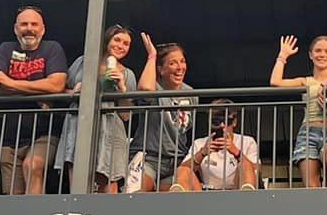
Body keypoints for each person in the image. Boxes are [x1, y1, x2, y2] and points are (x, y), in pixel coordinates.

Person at [0, 5, 69, 195]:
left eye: (34, 24)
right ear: (16, 29)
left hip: (45, 130)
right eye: (24, 24)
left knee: (33, 166)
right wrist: (37, 91)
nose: (29, 28)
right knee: (12, 195)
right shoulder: (5, 49)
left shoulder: (52, 48)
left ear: (43, 29)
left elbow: (56, 84)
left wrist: (9, 82)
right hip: (9, 135)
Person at [271, 33, 327, 189]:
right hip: (307, 133)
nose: (322, 55)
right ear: (311, 55)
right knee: (312, 187)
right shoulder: (305, 81)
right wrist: (282, 56)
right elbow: (275, 82)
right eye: (318, 51)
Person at [61, 25, 137, 193]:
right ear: (106, 40)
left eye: (126, 44)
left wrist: (122, 88)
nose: (121, 46)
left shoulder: (127, 74)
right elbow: (62, 90)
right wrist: (74, 91)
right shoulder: (83, 62)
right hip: (79, 125)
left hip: (110, 129)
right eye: (117, 40)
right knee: (78, 180)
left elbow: (126, 116)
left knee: (108, 184)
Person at [130, 36, 196, 192]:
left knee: (175, 202)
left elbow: (184, 130)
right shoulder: (155, 88)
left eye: (182, 61)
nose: (180, 67)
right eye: (173, 63)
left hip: (176, 161)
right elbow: (145, 90)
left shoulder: (190, 93)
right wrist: (152, 56)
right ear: (160, 69)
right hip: (149, 158)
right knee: (134, 198)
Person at [174, 100, 262, 190]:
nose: (222, 125)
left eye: (227, 121)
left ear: (234, 122)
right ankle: (177, 199)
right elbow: (182, 171)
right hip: (207, 193)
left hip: (237, 191)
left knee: (246, 165)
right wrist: (202, 153)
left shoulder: (247, 141)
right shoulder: (199, 143)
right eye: (216, 121)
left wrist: (237, 152)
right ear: (210, 122)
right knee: (184, 169)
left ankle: (246, 197)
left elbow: (256, 170)